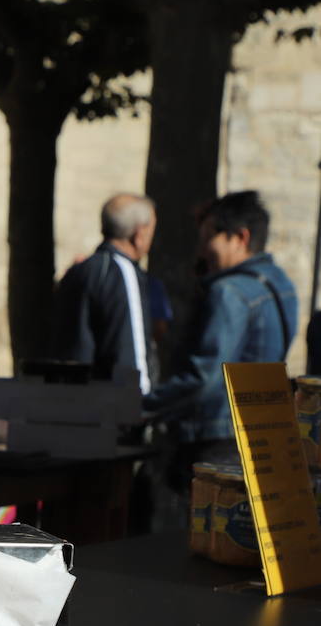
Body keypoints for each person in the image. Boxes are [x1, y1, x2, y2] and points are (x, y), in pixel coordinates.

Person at [145, 190, 297, 484]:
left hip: (216, 437)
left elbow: (204, 376)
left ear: (240, 237)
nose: (201, 251)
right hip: (261, 432)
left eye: (208, 239)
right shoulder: (282, 284)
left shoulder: (228, 292)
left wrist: (146, 406)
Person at [52, 193, 158, 394]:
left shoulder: (79, 270)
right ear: (139, 234)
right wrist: (141, 403)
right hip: (107, 406)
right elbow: (130, 351)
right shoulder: (122, 272)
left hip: (71, 395)